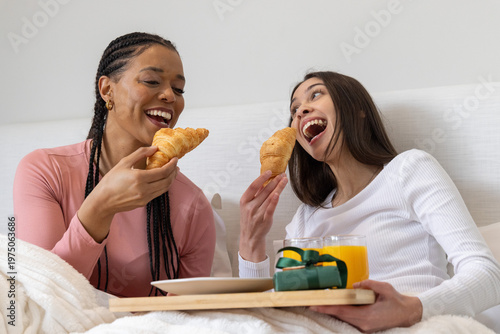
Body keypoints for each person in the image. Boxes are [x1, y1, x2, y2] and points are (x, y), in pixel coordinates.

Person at [238, 71, 500, 332]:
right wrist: (251, 242)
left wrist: (411, 309)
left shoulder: (407, 171)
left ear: (357, 108)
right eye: (294, 109)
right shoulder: (306, 218)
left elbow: (489, 276)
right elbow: (268, 310)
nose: (299, 111)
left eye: (316, 94)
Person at [14, 32, 216, 298]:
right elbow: (39, 296)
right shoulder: (45, 171)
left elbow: (190, 317)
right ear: (107, 90)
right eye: (151, 81)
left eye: (178, 89)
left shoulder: (193, 205)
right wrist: (102, 206)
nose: (169, 96)